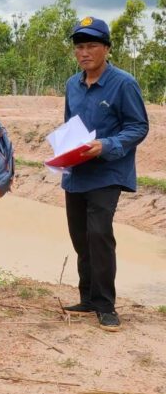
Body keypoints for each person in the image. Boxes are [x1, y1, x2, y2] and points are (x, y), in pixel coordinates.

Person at [61, 17, 149, 332]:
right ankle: (86, 298)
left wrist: (106, 145)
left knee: (99, 235)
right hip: (76, 173)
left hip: (107, 172)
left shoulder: (123, 83)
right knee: (80, 237)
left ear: (107, 49)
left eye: (91, 46)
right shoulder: (72, 84)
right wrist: (62, 152)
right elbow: (70, 124)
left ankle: (105, 304)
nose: (84, 52)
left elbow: (139, 126)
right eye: (79, 47)